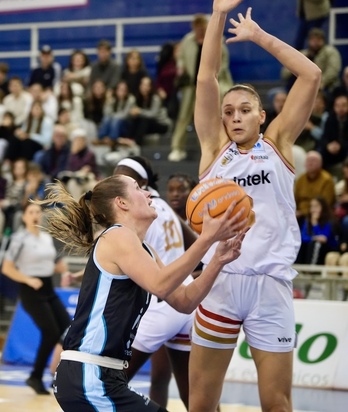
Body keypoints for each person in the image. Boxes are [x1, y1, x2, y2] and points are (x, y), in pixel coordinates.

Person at [188, 1, 321, 411]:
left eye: (245, 110)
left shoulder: (279, 144)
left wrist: (260, 36)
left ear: (262, 116)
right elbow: (206, 77)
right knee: (201, 403)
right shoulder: (214, 150)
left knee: (276, 403)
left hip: (270, 284)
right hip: (220, 282)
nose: (235, 117)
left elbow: (311, 74)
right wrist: (217, 15)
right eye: (229, 112)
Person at [33, 173, 248, 411]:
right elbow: (161, 285)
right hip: (89, 375)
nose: (148, 193)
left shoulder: (144, 248)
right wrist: (206, 239)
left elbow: (184, 301)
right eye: (138, 188)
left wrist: (218, 261)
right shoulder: (117, 235)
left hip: (101, 376)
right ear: (121, 203)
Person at [113, 156, 198, 409]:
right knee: (191, 393)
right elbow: (193, 241)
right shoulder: (162, 205)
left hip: (160, 305)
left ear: (141, 183)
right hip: (182, 305)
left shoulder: (139, 212)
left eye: (123, 177)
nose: (116, 181)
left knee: (110, 382)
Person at [1, 201, 72, 394]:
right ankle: (35, 376)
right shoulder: (19, 239)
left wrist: (60, 269)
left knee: (68, 331)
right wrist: (27, 279)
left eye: (38, 211)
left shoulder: (45, 238)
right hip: (30, 290)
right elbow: (7, 268)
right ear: (24, 217)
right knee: (50, 332)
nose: (35, 215)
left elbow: (49, 265)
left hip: (48, 288)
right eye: (31, 211)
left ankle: (58, 376)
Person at [167, 13, 233, 162]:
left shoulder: (216, 41)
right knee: (184, 116)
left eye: (202, 27)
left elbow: (224, 63)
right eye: (197, 27)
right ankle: (177, 148)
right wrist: (181, 68)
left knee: (212, 117)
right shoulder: (187, 41)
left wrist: (211, 79)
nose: (200, 30)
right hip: (191, 85)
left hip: (212, 85)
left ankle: (215, 148)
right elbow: (181, 58)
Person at [281, 27, 342, 94]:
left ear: (323, 40)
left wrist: (321, 82)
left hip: (326, 86)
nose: (315, 42)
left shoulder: (330, 51)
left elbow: (333, 70)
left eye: (318, 39)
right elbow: (285, 73)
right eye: (313, 39)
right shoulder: (302, 53)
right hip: (301, 86)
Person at [294, 150, 336, 225]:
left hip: (319, 214)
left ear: (320, 164)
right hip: (299, 214)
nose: (310, 163)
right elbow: (295, 200)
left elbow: (325, 204)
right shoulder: (300, 179)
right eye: (308, 160)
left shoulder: (327, 180)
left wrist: (304, 212)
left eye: (313, 160)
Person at [295, 196, 338, 265]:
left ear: (323, 208)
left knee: (316, 244)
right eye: (311, 207)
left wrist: (315, 225)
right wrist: (313, 238)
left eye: (316, 206)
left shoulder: (329, 221)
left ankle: (312, 270)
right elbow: (303, 237)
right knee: (301, 244)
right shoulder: (307, 221)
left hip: (327, 248)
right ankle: (298, 267)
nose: (313, 210)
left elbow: (324, 238)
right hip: (311, 247)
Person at [319, 93, 348, 180]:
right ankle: (323, 181)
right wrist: (328, 145)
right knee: (320, 152)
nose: (340, 108)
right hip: (332, 150)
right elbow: (324, 137)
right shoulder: (330, 119)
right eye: (337, 106)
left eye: (344, 105)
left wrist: (341, 145)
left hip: (345, 149)